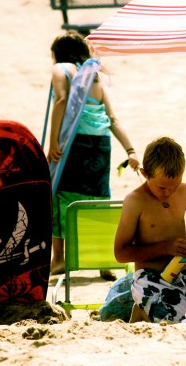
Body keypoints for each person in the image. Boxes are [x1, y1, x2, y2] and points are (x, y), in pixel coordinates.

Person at [47, 31, 140, 279]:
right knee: (98, 197)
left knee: (59, 195)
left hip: (73, 144)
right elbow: (113, 119)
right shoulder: (94, 76)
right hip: (100, 145)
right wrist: (130, 150)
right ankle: (103, 261)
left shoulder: (61, 69)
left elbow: (61, 101)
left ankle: (59, 260)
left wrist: (53, 141)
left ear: (58, 53)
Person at [114, 137, 186, 322]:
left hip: (183, 276)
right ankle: (142, 308)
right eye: (162, 187)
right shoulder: (135, 201)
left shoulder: (184, 192)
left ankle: (145, 309)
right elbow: (120, 253)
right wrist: (166, 247)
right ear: (144, 174)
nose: (168, 193)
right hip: (150, 278)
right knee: (180, 322)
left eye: (174, 186)